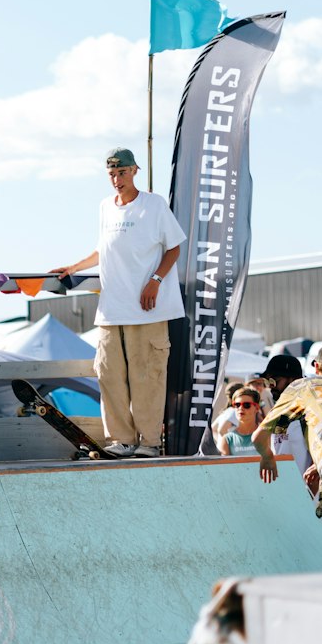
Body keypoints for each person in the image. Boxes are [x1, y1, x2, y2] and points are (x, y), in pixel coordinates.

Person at [55, 146, 185, 457]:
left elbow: (174, 248)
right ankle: (123, 439)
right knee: (108, 373)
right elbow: (104, 250)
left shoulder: (153, 205)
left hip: (148, 309)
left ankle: (150, 442)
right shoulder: (105, 207)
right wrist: (73, 268)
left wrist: (155, 281)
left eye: (122, 172)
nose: (117, 178)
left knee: (147, 378)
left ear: (135, 171)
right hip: (111, 308)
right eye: (112, 173)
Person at [254, 344, 322, 521]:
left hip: (315, 503)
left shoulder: (311, 410)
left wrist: (308, 501)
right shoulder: (280, 412)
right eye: (267, 382)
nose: (270, 387)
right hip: (288, 500)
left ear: (293, 380)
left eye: (274, 381)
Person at [217, 386, 262, 455]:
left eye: (246, 405)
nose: (241, 408)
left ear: (257, 408)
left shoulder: (267, 436)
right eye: (237, 405)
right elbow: (222, 465)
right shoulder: (227, 440)